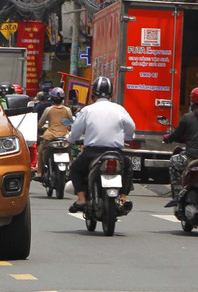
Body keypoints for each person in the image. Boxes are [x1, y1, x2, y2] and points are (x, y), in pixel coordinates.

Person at [66, 76, 135, 214]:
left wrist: (71, 140)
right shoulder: (119, 109)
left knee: (75, 169)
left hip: (92, 153)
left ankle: (81, 199)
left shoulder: (87, 110)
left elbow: (75, 133)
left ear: (93, 94)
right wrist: (127, 137)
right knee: (128, 168)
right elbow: (131, 129)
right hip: (116, 153)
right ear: (111, 94)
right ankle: (123, 198)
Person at [34, 88, 76, 180]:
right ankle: (69, 171)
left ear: (52, 99)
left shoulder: (48, 110)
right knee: (69, 151)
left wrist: (41, 127)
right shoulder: (67, 110)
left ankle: (40, 172)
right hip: (64, 136)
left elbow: (40, 123)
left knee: (40, 151)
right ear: (62, 99)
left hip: (50, 136)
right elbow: (71, 122)